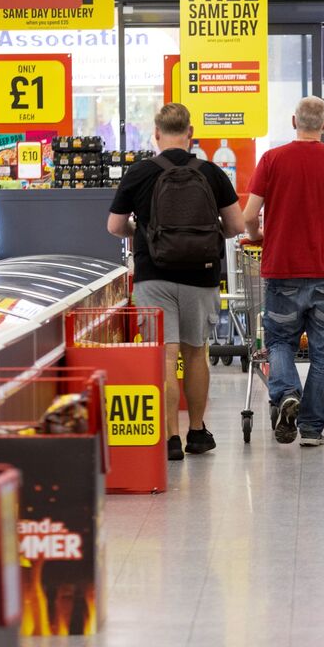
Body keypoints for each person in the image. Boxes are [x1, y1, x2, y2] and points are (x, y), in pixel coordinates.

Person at [108, 103, 245, 461]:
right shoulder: (212, 172)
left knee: (165, 354)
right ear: (190, 133)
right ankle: (197, 432)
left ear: (156, 134)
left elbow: (114, 227)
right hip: (201, 275)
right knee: (196, 350)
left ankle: (170, 438)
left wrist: (141, 231)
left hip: (154, 276)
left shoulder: (139, 172)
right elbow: (236, 227)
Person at [243, 97, 324, 446]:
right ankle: (312, 430)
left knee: (280, 340)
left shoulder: (271, 159)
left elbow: (247, 217)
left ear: (292, 121)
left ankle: (287, 393)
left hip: (281, 269)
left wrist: (259, 235)